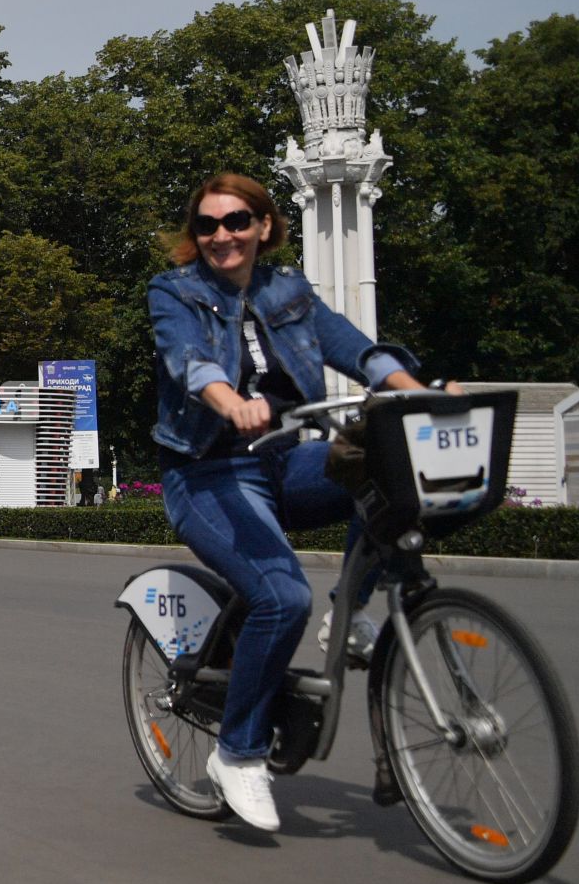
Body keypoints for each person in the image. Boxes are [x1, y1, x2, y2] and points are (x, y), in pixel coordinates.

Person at [149, 172, 445, 833]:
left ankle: (354, 604)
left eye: (236, 221)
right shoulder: (175, 291)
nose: (222, 235)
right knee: (281, 596)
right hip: (208, 472)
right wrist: (231, 402)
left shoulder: (290, 290)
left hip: (283, 462)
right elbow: (189, 362)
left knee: (388, 467)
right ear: (195, 236)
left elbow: (357, 351)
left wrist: (419, 391)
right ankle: (239, 753)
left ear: (263, 225)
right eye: (207, 225)